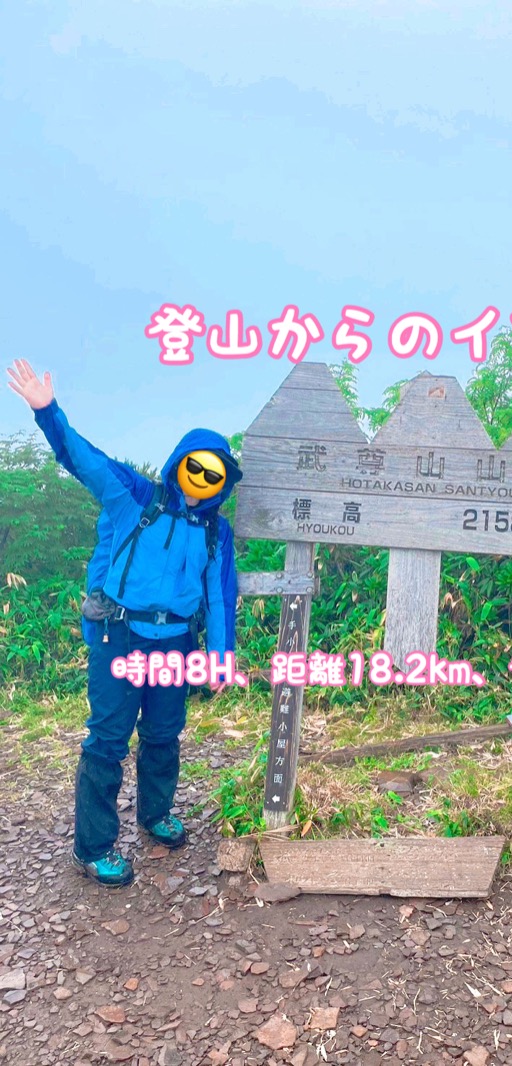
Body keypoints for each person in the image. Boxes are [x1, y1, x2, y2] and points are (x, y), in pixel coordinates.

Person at [7, 359, 242, 887]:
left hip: (176, 643)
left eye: (215, 475)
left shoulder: (215, 532)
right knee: (108, 739)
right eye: (196, 468)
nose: (203, 481)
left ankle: (155, 815)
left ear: (224, 481)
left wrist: (220, 658)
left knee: (163, 733)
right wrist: (48, 413)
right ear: (180, 463)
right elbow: (84, 460)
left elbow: (219, 595)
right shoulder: (135, 497)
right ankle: (92, 847)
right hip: (121, 637)